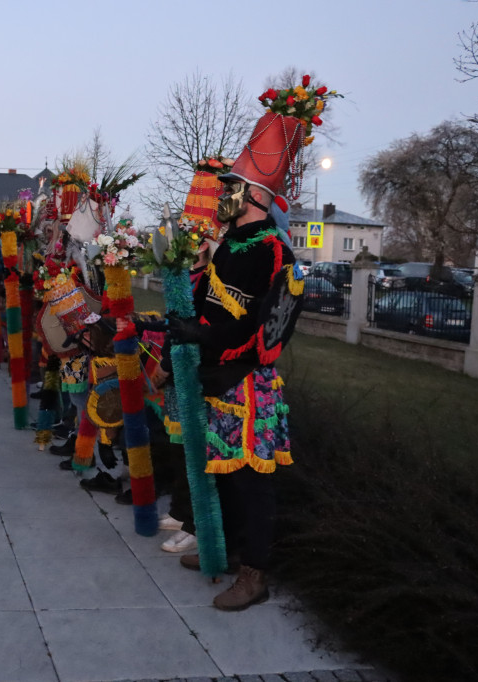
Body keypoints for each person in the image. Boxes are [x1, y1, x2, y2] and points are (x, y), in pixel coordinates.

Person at [164, 108, 305, 611]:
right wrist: (179, 328)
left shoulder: (274, 252)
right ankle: (220, 551)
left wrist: (201, 335)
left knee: (252, 485)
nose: (223, 196)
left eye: (232, 188)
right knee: (220, 473)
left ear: (257, 197)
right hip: (217, 378)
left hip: (247, 384)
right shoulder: (229, 245)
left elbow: (260, 326)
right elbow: (211, 304)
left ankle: (254, 574)